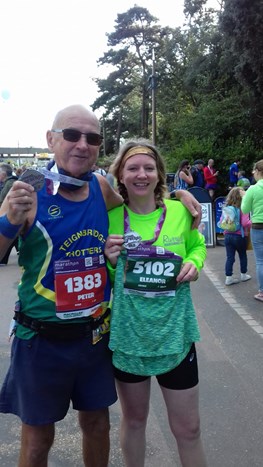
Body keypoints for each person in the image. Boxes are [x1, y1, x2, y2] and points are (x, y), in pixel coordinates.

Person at [0, 105, 202, 467]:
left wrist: (178, 198)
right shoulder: (28, 192)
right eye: (72, 135)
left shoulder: (101, 187)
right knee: (37, 440)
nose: (82, 144)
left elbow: (142, 200)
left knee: (97, 425)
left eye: (92, 138)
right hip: (41, 338)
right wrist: (8, 220)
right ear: (51, 139)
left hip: (94, 336)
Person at [105, 139, 207, 467]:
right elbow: (104, 273)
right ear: (120, 173)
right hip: (129, 338)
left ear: (159, 173)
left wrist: (195, 262)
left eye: (149, 168)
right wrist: (108, 261)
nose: (141, 174)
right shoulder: (108, 217)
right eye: (133, 167)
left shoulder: (180, 210)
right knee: (134, 422)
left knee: (188, 429)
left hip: (175, 336)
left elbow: (197, 245)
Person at [241, 160, 263, 301]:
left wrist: (244, 197)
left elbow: (245, 209)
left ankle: (262, 292)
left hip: (258, 228)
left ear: (258, 171)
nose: (253, 174)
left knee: (261, 261)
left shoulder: (253, 189)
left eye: (254, 171)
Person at [223, 187, 251, 286]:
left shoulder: (226, 208)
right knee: (242, 255)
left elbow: (222, 222)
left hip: (227, 235)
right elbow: (245, 223)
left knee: (230, 257)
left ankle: (228, 278)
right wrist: (252, 222)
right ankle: (243, 275)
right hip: (240, 236)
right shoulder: (243, 208)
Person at [0, 163, 19, 265]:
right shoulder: (8, 183)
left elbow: (6, 200)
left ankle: (3, 260)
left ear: (3, 174)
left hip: (9, 215)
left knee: (11, 233)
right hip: (9, 215)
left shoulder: (10, 184)